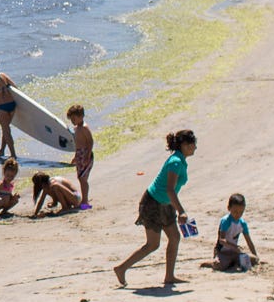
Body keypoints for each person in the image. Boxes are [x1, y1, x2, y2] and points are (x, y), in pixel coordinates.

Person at [115, 129, 197, 288]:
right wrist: (181, 211)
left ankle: (169, 276)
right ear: (185, 145)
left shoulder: (180, 160)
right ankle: (121, 268)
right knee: (152, 244)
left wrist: (176, 208)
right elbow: (169, 189)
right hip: (152, 203)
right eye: (193, 144)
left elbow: (170, 192)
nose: (195, 147)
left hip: (166, 204)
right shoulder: (176, 162)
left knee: (174, 237)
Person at [214, 193, 260, 271]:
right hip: (222, 252)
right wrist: (234, 247)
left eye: (241, 212)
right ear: (229, 208)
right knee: (220, 266)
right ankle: (214, 261)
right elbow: (222, 240)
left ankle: (233, 262)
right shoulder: (225, 221)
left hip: (234, 252)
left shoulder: (242, 223)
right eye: (235, 211)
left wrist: (255, 256)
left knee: (252, 260)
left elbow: (249, 242)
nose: (238, 214)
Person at [68, 104, 95, 210]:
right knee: (80, 178)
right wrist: (75, 156)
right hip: (80, 154)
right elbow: (77, 144)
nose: (73, 121)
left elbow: (90, 141)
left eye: (74, 118)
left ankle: (85, 201)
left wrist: (88, 155)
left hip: (85, 155)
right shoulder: (76, 128)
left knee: (83, 179)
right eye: (71, 119)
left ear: (81, 116)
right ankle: (85, 199)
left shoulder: (84, 127)